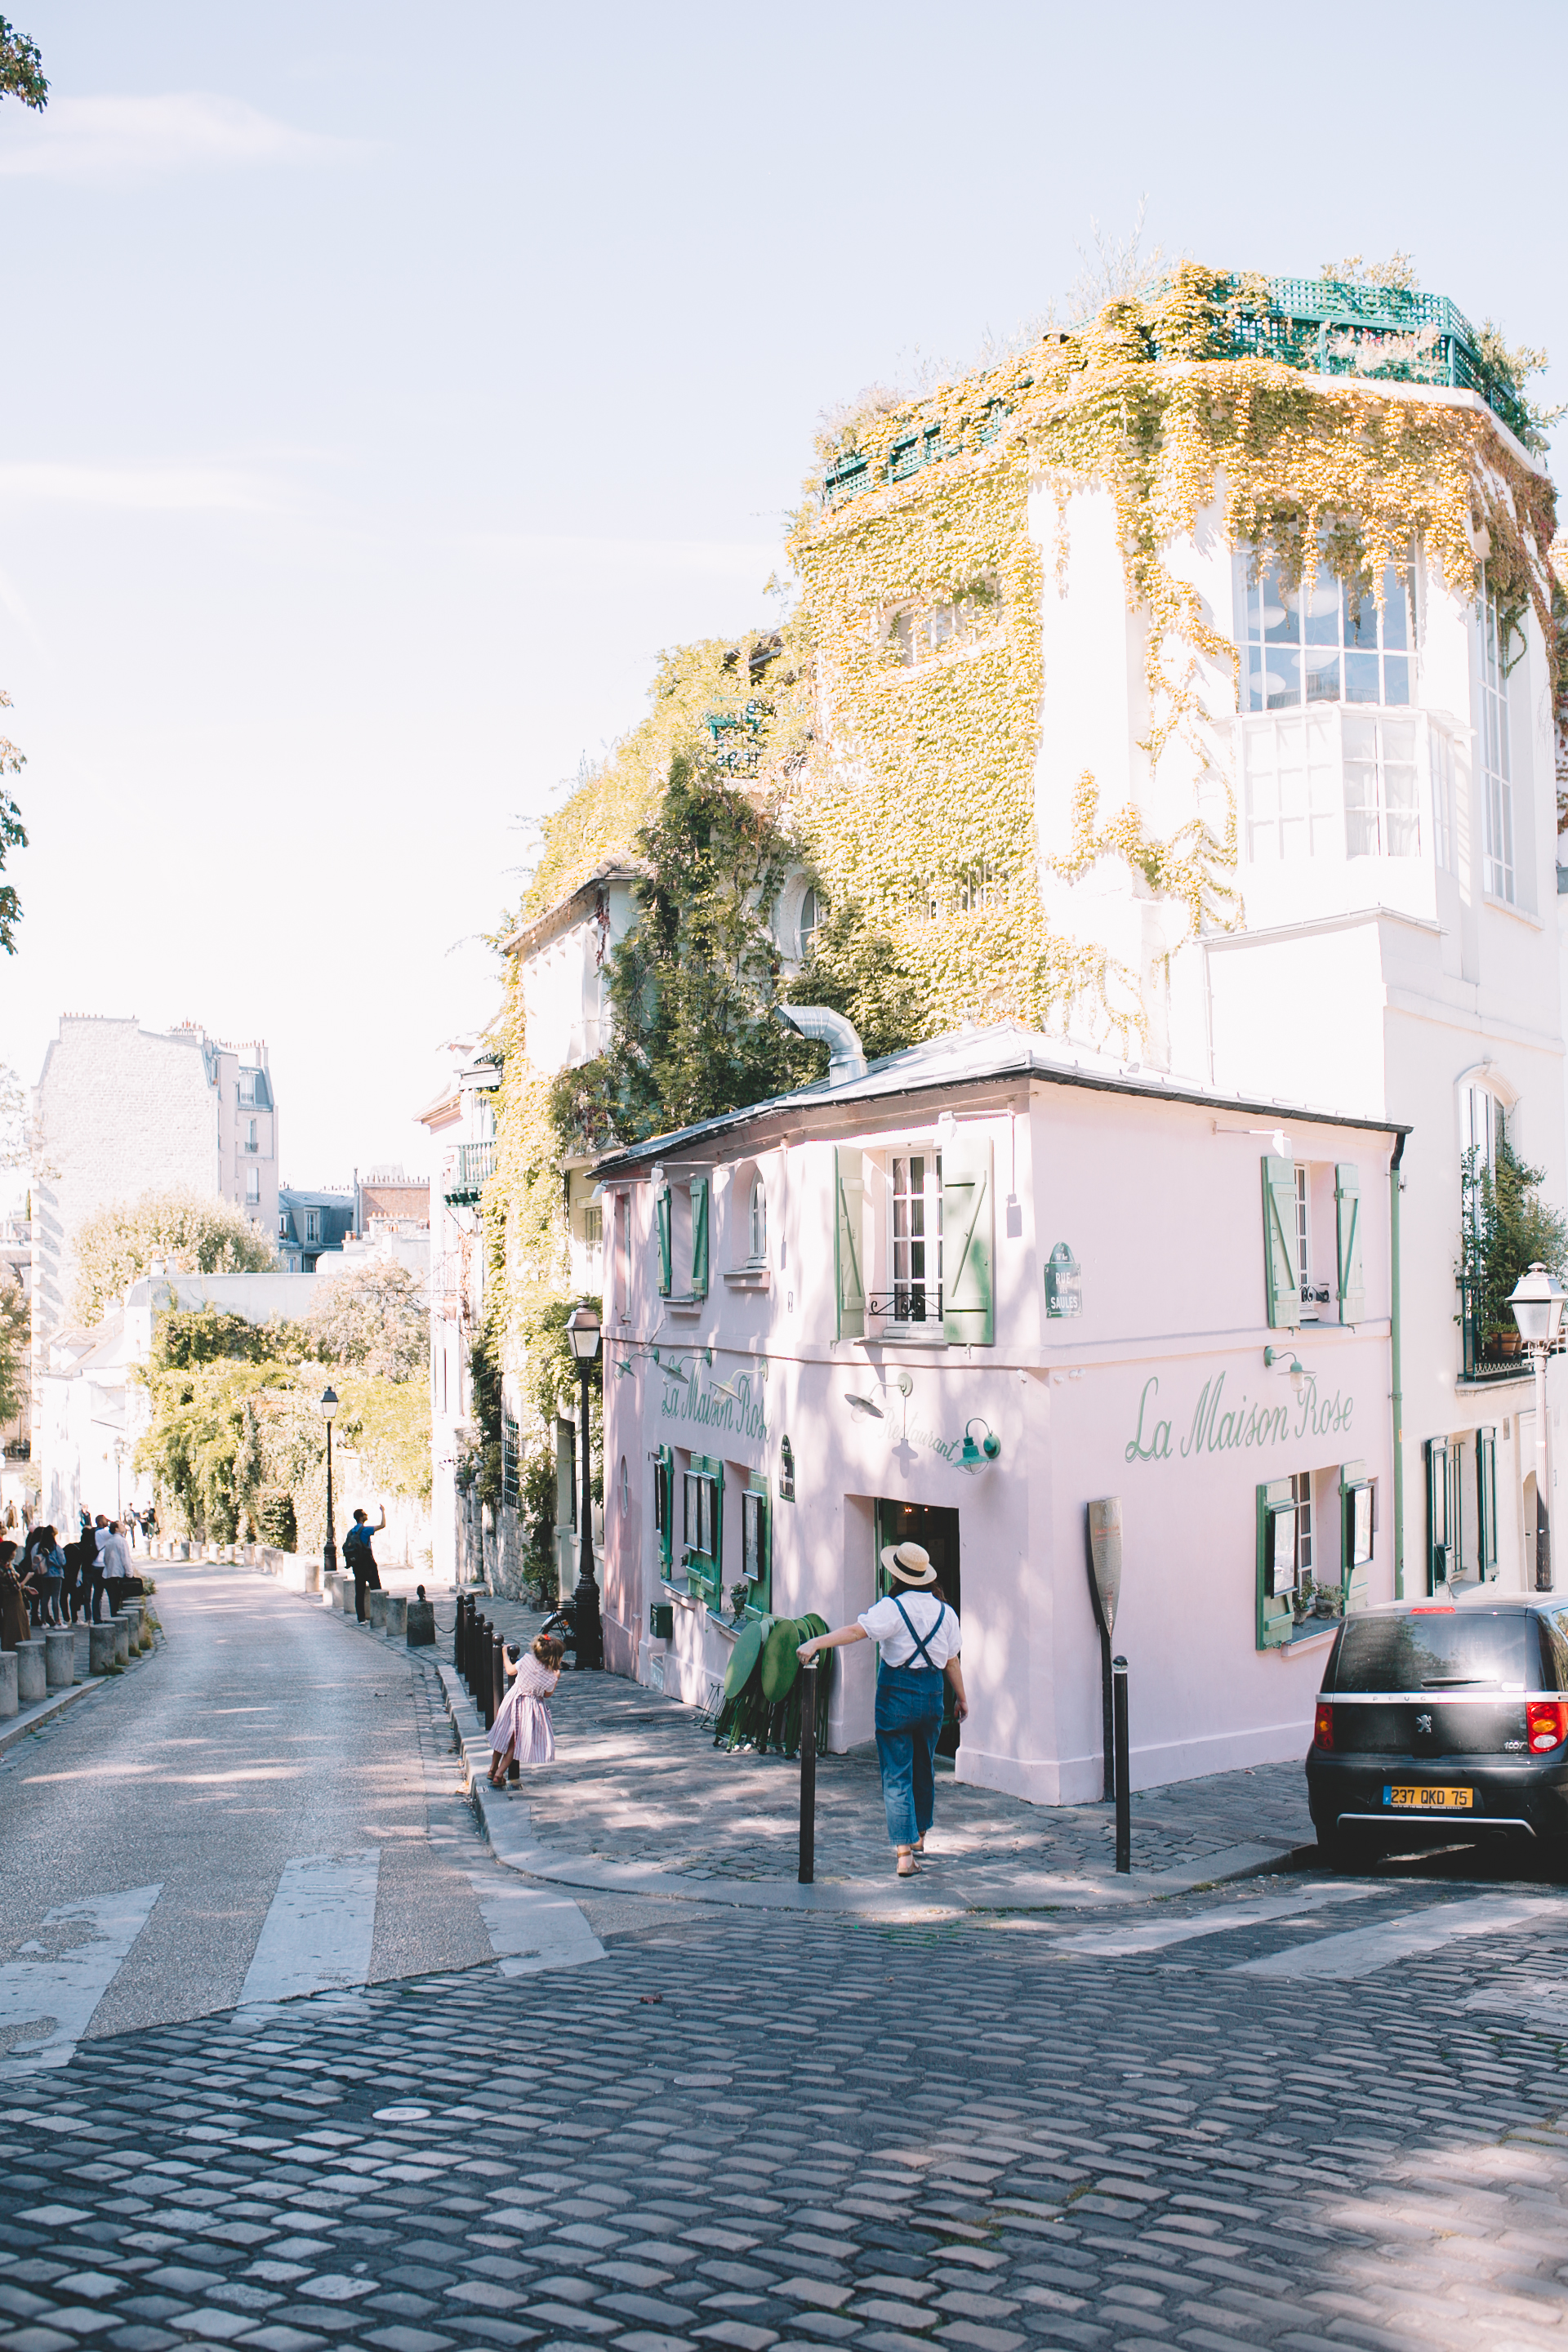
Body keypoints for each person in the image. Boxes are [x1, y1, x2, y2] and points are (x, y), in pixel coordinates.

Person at [797, 1539, 967, 1879]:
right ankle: (918, 1835)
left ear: (898, 1574)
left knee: (896, 1772)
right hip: (932, 1695)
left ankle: (904, 1855)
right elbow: (952, 1662)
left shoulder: (891, 1608)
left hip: (896, 1697)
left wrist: (816, 1641)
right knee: (925, 1766)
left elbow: (855, 1632)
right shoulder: (945, 1613)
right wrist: (962, 1698)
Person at [487, 1633, 564, 1784]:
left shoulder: (527, 1660)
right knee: (514, 1744)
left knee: (502, 1735)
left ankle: (492, 1768)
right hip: (529, 1710)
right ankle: (499, 1774)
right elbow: (547, 1694)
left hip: (513, 1700)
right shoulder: (552, 1674)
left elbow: (510, 1671)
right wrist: (555, 1679)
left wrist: (504, 1653)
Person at [341, 1505, 385, 1623]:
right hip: (368, 1564)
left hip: (357, 1565)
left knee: (359, 1592)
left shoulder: (351, 1532)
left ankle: (361, 1618)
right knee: (376, 1590)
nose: (367, 1515)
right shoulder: (365, 1530)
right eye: (365, 1514)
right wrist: (383, 1512)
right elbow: (382, 1525)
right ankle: (379, 1617)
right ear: (361, 1518)